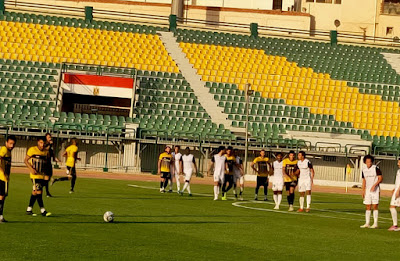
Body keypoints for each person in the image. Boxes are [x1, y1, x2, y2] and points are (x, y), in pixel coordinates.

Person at [25, 136, 51, 217]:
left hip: (41, 175)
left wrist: (47, 174)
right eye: (40, 142)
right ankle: (43, 210)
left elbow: (46, 164)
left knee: (35, 192)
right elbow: (25, 160)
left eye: (43, 143)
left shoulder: (46, 152)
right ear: (38, 142)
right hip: (34, 176)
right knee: (39, 192)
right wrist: (31, 169)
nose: (42, 145)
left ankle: (29, 209)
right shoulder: (32, 150)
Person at [360, 155, 383, 229]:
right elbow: (364, 181)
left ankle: (375, 223)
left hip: (375, 190)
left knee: (375, 206)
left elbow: (380, 178)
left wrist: (374, 185)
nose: (369, 163)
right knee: (368, 206)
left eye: (370, 162)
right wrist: (363, 190)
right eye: (367, 162)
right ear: (365, 162)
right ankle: (367, 223)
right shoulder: (364, 170)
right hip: (367, 190)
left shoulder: (376, 168)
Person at [0, 135, 16, 222]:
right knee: (2, 196)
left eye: (13, 144)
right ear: (6, 143)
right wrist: (2, 171)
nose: (12, 146)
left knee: (3, 196)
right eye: (10, 144)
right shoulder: (4, 149)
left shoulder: (9, 151)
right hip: (1, 177)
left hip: (5, 177)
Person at [43, 133, 60, 197]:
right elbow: (46, 150)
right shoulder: (45, 144)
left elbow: (51, 153)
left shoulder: (51, 145)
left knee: (49, 176)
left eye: (50, 137)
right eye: (49, 137)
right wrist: (50, 144)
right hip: (45, 162)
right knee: (46, 177)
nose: (50, 138)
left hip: (49, 162)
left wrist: (55, 158)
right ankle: (47, 192)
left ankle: (43, 186)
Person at [388, 158, 400, 231]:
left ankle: (395, 225)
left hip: (399, 191)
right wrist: (395, 188)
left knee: (392, 207)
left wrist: (398, 190)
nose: (398, 163)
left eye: (399, 162)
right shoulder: (399, 171)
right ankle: (395, 225)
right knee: (392, 207)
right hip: (397, 190)